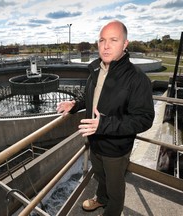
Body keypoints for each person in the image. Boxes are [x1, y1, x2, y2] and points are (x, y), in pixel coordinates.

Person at [56, 20, 154, 216]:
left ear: (125, 44)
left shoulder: (137, 79)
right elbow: (91, 96)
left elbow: (144, 119)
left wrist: (104, 125)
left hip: (116, 148)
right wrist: (74, 105)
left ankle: (112, 211)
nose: (106, 46)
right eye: (102, 40)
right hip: (95, 140)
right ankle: (101, 199)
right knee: (100, 176)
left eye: (113, 40)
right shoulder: (96, 70)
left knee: (115, 188)